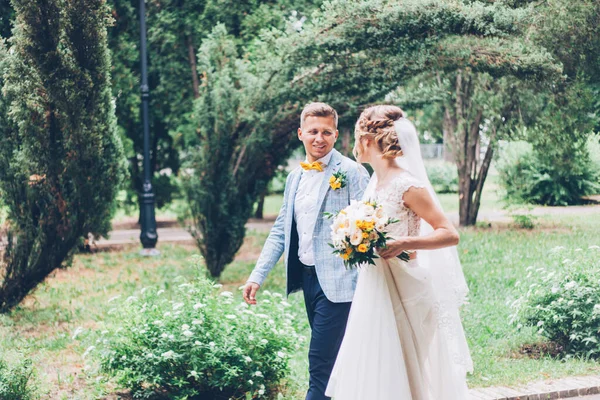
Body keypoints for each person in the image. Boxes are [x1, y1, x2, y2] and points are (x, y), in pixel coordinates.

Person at [326, 105, 472, 400]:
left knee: (407, 374)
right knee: (375, 368)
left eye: (356, 137)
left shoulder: (407, 184)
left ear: (367, 140)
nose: (354, 145)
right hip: (375, 287)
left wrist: (403, 243)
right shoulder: (374, 181)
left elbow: (449, 233)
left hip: (406, 289)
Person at [243, 102, 370, 400]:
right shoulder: (294, 177)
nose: (319, 138)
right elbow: (280, 231)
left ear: (336, 134)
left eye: (326, 132)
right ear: (301, 134)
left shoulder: (352, 172)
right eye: (313, 131)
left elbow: (369, 226)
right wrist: (256, 276)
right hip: (309, 280)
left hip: (342, 284)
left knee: (320, 363)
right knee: (336, 362)